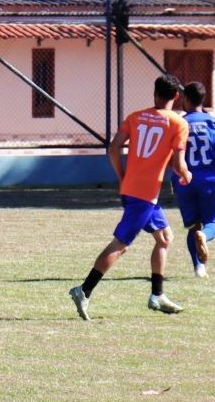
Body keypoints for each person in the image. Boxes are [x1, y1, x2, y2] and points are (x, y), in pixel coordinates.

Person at [69, 74, 191, 321]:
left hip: (134, 189)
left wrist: (122, 175)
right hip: (145, 193)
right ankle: (84, 290)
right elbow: (178, 164)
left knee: (164, 237)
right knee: (120, 245)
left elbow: (114, 147)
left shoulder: (135, 117)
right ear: (177, 96)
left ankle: (157, 294)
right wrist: (186, 173)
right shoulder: (178, 123)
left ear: (154, 92)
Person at [170, 82, 215, 278]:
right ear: (202, 99)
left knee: (193, 226)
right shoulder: (214, 122)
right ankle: (205, 237)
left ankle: (199, 268)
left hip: (184, 181)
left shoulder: (179, 123)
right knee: (213, 223)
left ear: (185, 99)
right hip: (209, 179)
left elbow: (171, 153)